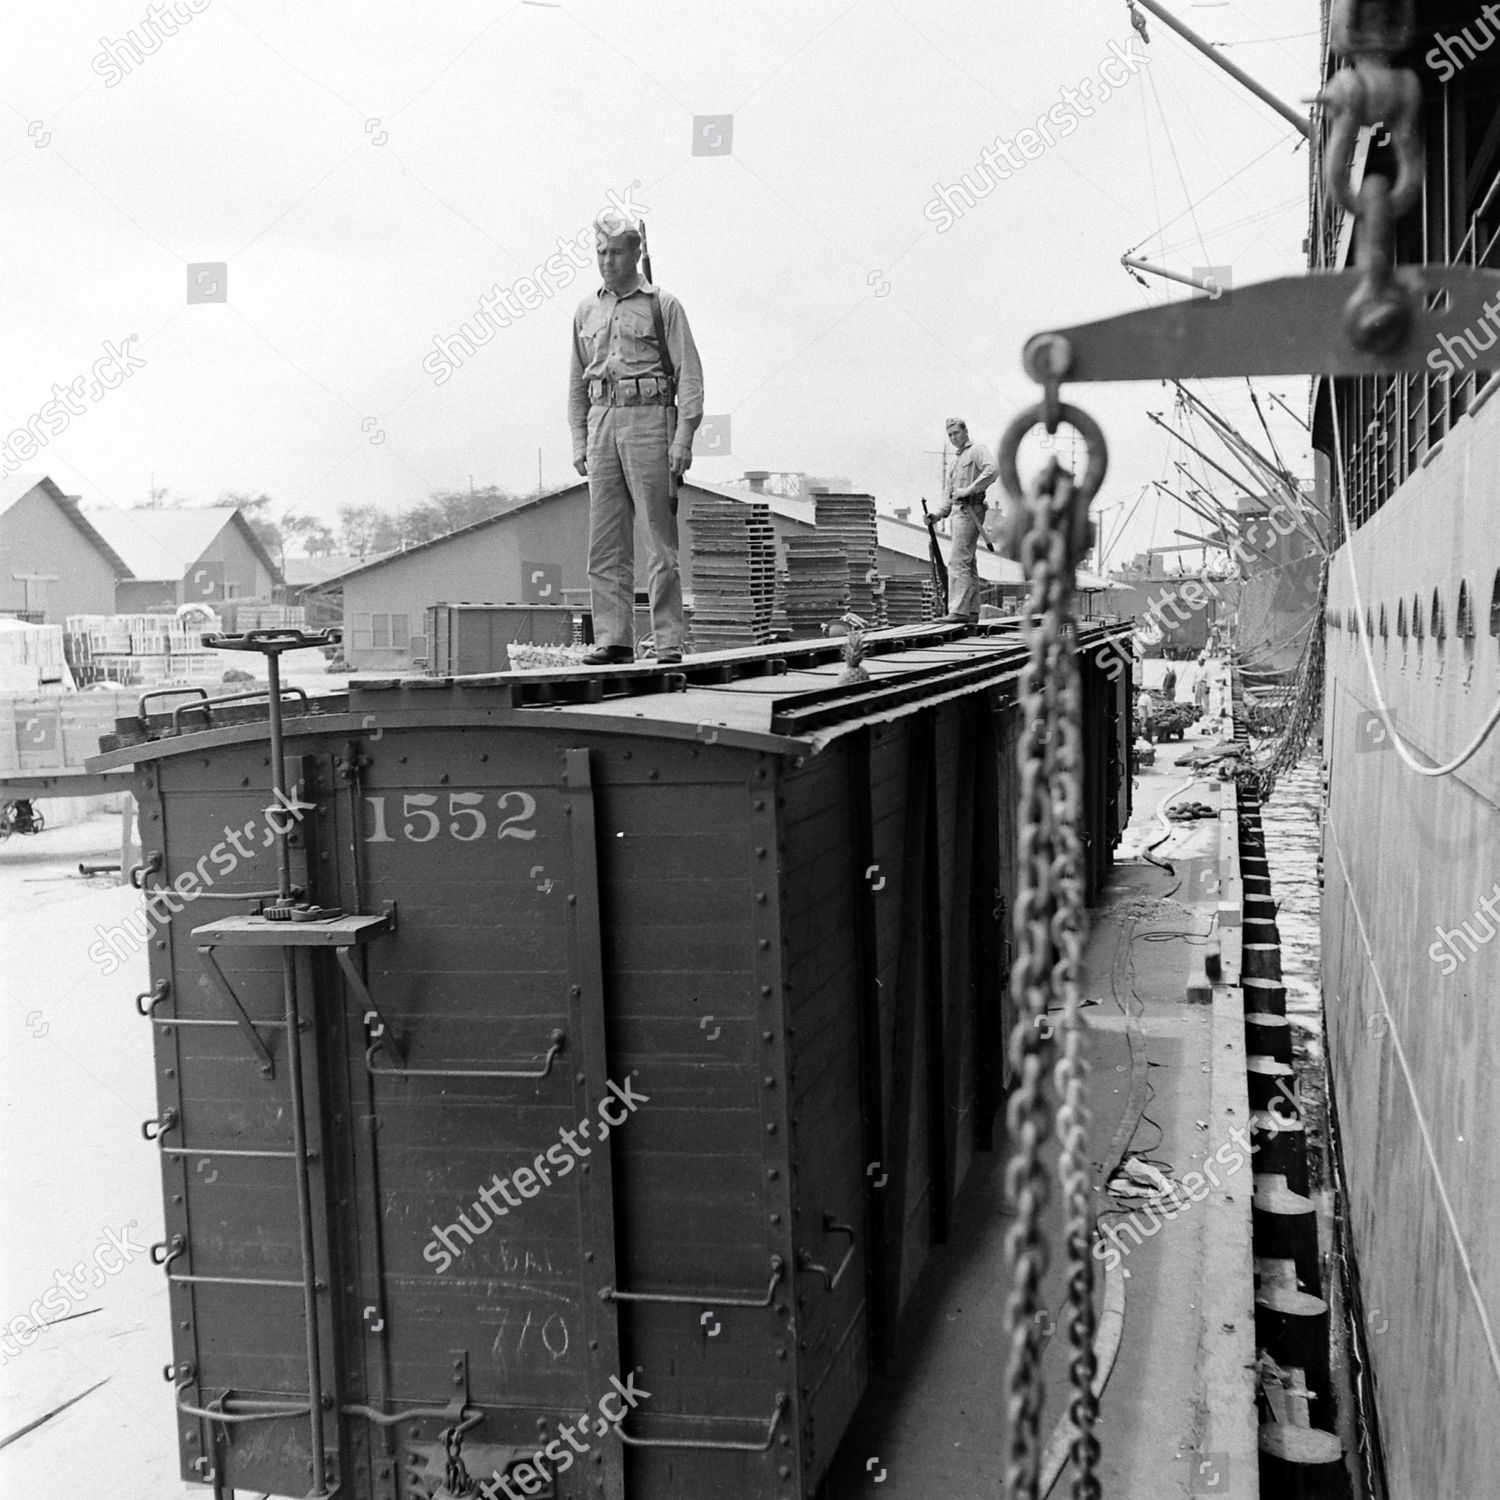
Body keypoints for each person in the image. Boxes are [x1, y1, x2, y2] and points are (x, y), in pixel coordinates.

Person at [568, 208, 704, 665]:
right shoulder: (587, 309)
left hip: (650, 421)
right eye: (600, 251)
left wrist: (683, 437)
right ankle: (614, 640)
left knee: (659, 542)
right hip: (601, 422)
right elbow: (575, 383)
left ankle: (667, 642)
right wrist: (577, 440)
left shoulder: (662, 305)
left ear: (636, 252)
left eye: (617, 251)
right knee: (605, 542)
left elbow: (689, 378)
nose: (607, 260)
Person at [926, 418, 997, 625]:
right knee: (969, 561)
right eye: (950, 435)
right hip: (959, 511)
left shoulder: (977, 450)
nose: (954, 437)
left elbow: (992, 470)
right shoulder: (956, 461)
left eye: (956, 433)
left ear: (966, 431)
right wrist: (938, 515)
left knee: (958, 561)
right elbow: (949, 494)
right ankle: (972, 610)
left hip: (970, 510)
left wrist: (969, 490)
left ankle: (958, 611)